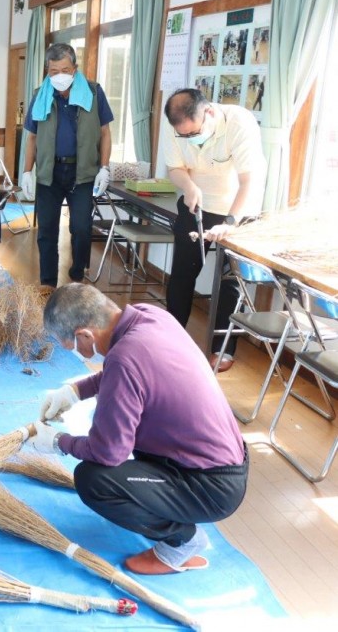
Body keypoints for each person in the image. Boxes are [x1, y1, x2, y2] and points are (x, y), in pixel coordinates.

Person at [28, 284, 249, 575]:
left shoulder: (123, 359)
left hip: (210, 487)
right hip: (222, 463)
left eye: (72, 347)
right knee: (123, 437)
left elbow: (108, 453)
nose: (77, 353)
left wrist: (59, 442)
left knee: (94, 480)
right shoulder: (150, 316)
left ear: (85, 335)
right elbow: (126, 373)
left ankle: (183, 542)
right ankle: (166, 513)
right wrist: (73, 391)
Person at [161, 88, 266, 372]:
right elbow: (175, 167)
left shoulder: (239, 123)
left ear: (208, 112)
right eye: (184, 136)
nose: (190, 139)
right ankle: (172, 337)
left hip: (237, 208)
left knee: (229, 282)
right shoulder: (176, 123)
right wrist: (189, 186)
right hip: (195, 204)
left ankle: (223, 349)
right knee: (183, 272)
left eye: (194, 133)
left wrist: (230, 222)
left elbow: (249, 181)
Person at [20, 43, 113, 293]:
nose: (59, 76)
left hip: (82, 172)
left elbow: (105, 133)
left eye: (64, 69)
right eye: (53, 71)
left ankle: (76, 274)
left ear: (75, 69)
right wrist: (27, 171)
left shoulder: (93, 93)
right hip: (50, 172)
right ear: (47, 71)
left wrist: (104, 167)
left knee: (81, 228)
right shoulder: (41, 95)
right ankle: (48, 283)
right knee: (46, 230)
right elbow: (32, 137)